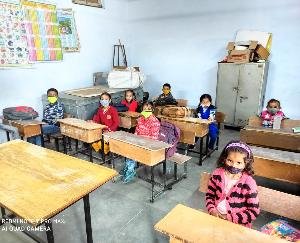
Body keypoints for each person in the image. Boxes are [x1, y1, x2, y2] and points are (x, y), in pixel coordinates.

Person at [205, 141, 260, 228]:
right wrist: (212, 210)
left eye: (239, 162)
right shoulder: (217, 174)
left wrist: (228, 217)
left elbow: (253, 212)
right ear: (224, 159)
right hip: (215, 218)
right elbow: (209, 196)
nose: (234, 165)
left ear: (246, 164)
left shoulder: (249, 183)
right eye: (230, 160)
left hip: (237, 224)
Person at [121, 101, 160, 183]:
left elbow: (154, 138)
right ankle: (129, 168)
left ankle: (130, 170)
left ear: (152, 110)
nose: (146, 111)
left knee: (132, 152)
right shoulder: (140, 119)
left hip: (149, 145)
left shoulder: (155, 122)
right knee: (128, 147)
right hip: (139, 142)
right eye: (145, 109)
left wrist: (141, 139)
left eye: (149, 109)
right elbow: (136, 132)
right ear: (142, 110)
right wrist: (135, 139)